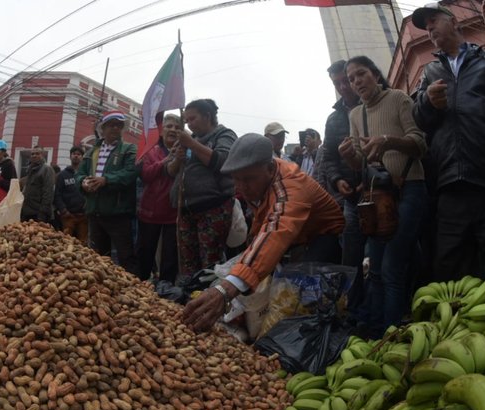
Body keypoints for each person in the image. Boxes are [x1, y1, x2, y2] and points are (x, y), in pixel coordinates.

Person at [182, 133, 344, 332]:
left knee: (307, 293)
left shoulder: (290, 186)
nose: (242, 187)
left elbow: (276, 230)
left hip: (324, 236)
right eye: (236, 180)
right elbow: (262, 222)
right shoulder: (258, 179)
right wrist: (248, 258)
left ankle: (316, 332)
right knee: (277, 282)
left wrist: (226, 289)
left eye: (248, 179)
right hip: (296, 238)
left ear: (269, 168)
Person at [412, 3, 485, 282]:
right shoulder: (429, 73)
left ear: (453, 22)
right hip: (450, 182)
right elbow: (418, 119)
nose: (429, 28)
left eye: (433, 20)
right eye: (425, 26)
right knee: (449, 265)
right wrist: (427, 101)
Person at [339, 56, 427, 336]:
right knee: (375, 269)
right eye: (352, 79)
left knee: (391, 266)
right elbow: (359, 165)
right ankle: (375, 330)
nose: (356, 82)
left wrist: (387, 140)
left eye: (361, 74)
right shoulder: (355, 115)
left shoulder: (399, 99)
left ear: (375, 74)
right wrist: (350, 156)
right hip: (378, 199)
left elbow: (420, 144)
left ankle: (391, 336)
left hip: (410, 189)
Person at [166, 99, 237, 279]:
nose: (188, 124)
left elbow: (224, 162)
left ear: (208, 116)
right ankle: (191, 296)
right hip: (185, 209)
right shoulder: (189, 140)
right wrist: (178, 160)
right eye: (187, 120)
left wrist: (192, 144)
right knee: (188, 263)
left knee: (209, 263)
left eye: (193, 119)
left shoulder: (224, 135)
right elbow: (170, 171)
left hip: (212, 208)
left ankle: (209, 300)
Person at [322, 59, 365, 318]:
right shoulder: (334, 119)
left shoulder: (373, 104)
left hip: (382, 191)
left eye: (345, 80)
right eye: (336, 83)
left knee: (387, 253)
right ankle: (355, 307)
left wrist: (368, 177)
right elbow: (328, 157)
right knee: (351, 255)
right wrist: (338, 180)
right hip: (350, 197)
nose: (342, 86)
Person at [75, 110, 138, 274]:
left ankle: (130, 291)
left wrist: (106, 180)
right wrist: (83, 182)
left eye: (119, 125)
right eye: (111, 125)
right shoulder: (90, 153)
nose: (115, 128)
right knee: (98, 258)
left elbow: (131, 173)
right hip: (95, 213)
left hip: (118, 213)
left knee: (126, 258)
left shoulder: (129, 149)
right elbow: (79, 174)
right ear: (102, 128)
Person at [136, 114, 182, 283]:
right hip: (150, 212)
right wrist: (166, 161)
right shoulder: (151, 151)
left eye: (178, 128)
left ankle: (166, 291)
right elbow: (146, 175)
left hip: (174, 214)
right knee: (145, 254)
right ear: (161, 132)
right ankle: (140, 286)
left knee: (170, 257)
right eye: (169, 126)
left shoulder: (185, 150)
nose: (173, 130)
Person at [54, 146, 87, 243]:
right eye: (74, 154)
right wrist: (63, 210)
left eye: (79, 154)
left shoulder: (85, 174)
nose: (76, 156)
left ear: (82, 157)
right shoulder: (62, 175)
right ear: (70, 156)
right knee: (66, 242)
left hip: (83, 216)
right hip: (68, 217)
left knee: (83, 244)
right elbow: (57, 194)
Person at [21, 146, 55, 223]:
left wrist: (42, 213)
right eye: (32, 154)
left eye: (37, 153)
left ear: (42, 155)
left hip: (39, 213)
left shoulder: (47, 169)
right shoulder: (30, 170)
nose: (34, 155)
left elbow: (48, 193)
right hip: (27, 212)